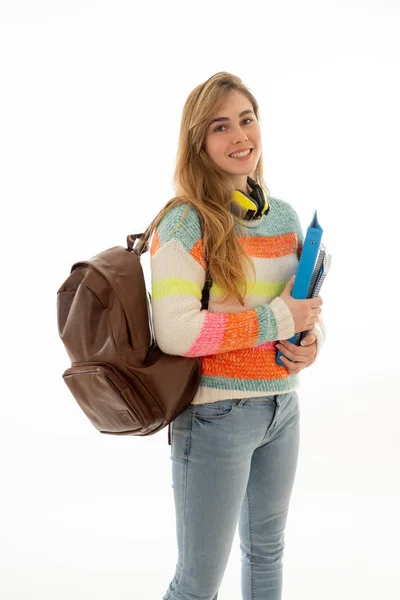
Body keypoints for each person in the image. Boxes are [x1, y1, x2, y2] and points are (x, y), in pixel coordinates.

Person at [146, 72, 325, 600]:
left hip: (281, 409)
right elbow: (177, 332)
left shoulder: (285, 217)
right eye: (220, 126)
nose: (239, 135)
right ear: (199, 143)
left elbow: (301, 309)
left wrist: (309, 344)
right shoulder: (185, 222)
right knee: (198, 583)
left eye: (246, 120)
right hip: (214, 416)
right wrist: (279, 321)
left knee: (266, 556)